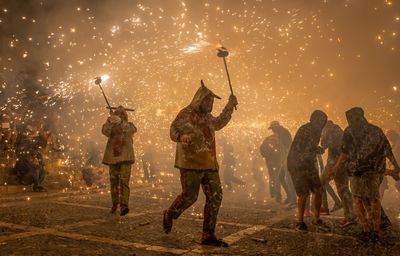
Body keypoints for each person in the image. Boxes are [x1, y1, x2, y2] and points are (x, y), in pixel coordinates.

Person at [163, 81, 238, 247]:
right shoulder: (186, 114)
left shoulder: (208, 118)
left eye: (212, 102)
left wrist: (229, 107)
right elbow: (173, 129)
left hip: (209, 163)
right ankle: (170, 213)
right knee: (190, 197)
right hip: (190, 162)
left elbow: (219, 123)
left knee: (215, 195)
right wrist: (181, 136)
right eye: (207, 101)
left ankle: (208, 234)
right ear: (199, 100)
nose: (210, 105)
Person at [328, 107, 400, 242]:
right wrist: (395, 165)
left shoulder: (350, 130)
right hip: (372, 171)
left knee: (358, 199)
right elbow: (387, 149)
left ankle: (367, 230)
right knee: (374, 200)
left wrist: (336, 167)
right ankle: (376, 232)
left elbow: (344, 153)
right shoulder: (375, 130)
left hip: (356, 171)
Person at [287, 110, 329, 232]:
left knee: (318, 190)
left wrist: (317, 149)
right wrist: (319, 150)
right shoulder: (309, 130)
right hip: (297, 164)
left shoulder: (312, 129)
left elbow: (309, 148)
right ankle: (300, 223)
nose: (323, 124)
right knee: (303, 192)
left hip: (308, 163)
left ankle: (316, 219)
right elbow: (308, 147)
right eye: (322, 121)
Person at [102, 106, 137, 216]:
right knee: (113, 182)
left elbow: (131, 130)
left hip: (126, 157)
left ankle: (124, 205)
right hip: (112, 157)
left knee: (124, 182)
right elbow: (104, 131)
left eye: (122, 116)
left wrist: (121, 122)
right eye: (118, 115)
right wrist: (109, 121)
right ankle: (115, 204)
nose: (119, 117)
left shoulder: (129, 125)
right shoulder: (111, 125)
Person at [320, 120, 356, 226]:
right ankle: (351, 214)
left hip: (334, 163)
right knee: (344, 189)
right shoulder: (339, 129)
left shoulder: (325, 130)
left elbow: (323, 146)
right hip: (344, 162)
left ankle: (325, 207)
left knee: (321, 182)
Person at [268, 121, 297, 206]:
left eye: (273, 129)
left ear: (276, 127)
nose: (272, 131)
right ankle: (290, 196)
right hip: (285, 159)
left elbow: (287, 147)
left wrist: (286, 160)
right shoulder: (281, 133)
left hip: (288, 159)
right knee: (280, 177)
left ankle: (294, 200)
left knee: (289, 180)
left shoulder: (283, 133)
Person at [13, 125, 47, 192]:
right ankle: (37, 186)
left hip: (32, 176)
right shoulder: (25, 155)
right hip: (24, 177)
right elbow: (32, 165)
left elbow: (42, 164)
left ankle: (40, 186)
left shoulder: (38, 155)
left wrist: (44, 167)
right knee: (36, 169)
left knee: (44, 170)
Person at [260, 133, 282, 202]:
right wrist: (265, 155)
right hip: (273, 161)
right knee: (275, 177)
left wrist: (265, 155)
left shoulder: (268, 138)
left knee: (274, 177)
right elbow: (261, 148)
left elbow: (261, 148)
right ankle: (276, 195)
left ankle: (275, 194)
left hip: (274, 161)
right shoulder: (279, 138)